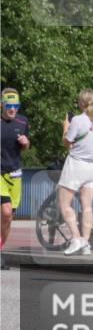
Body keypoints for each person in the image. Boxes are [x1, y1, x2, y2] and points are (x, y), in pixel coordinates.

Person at [58, 89, 93, 255]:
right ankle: (85, 243)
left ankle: (76, 238)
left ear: (80, 103)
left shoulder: (78, 120)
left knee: (64, 204)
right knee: (87, 206)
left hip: (76, 164)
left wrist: (65, 128)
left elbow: (67, 142)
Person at [1, 88, 29, 269]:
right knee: (6, 211)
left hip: (15, 175)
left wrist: (26, 143)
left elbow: (26, 147)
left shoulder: (23, 121)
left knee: (9, 218)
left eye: (15, 105)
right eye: (9, 105)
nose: (12, 109)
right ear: (2, 105)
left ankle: (0, 250)